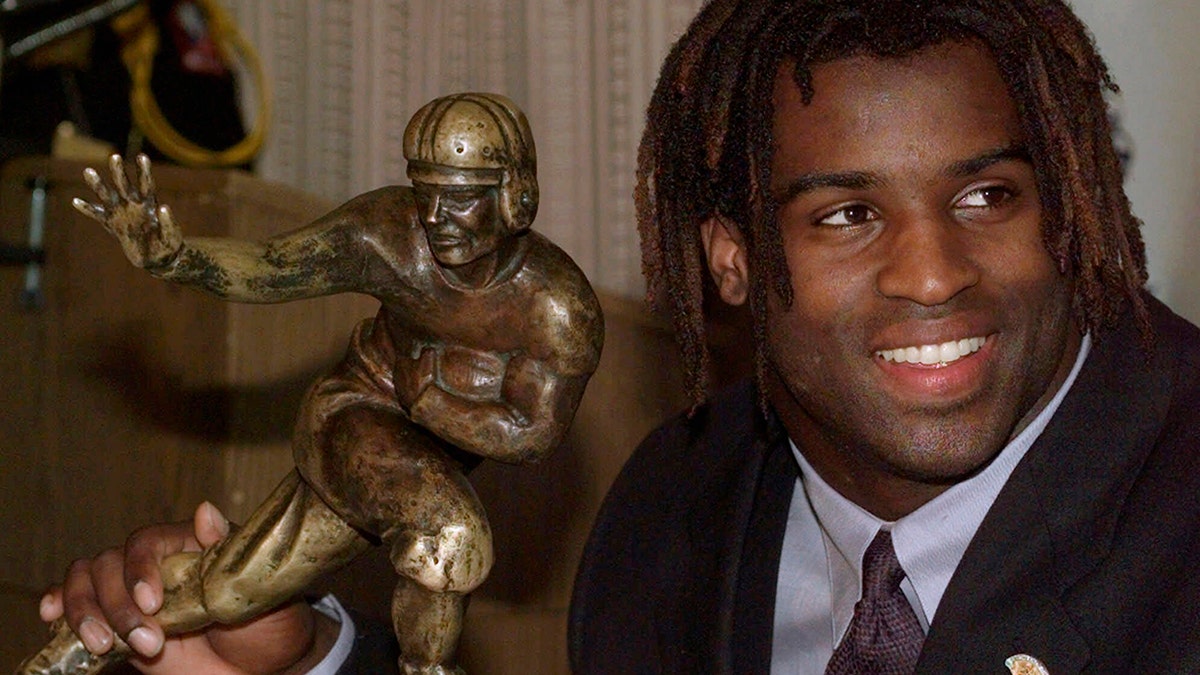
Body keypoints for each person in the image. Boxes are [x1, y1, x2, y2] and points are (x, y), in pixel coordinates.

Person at [32, 1, 1200, 673]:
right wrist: (295, 663)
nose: (936, 271)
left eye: (989, 196)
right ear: (732, 260)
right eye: (846, 214)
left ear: (1070, 206)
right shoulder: (668, 517)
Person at [23, 92, 603, 675]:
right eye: (425, 193)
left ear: (513, 197)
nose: (433, 217)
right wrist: (178, 259)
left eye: (458, 199)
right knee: (449, 535)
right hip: (354, 413)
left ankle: (85, 641)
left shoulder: (556, 309)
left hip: (417, 451)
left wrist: (430, 401)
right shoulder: (388, 236)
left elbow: (531, 435)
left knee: (232, 591)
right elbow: (273, 266)